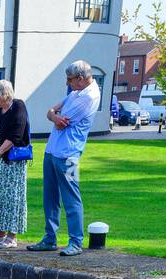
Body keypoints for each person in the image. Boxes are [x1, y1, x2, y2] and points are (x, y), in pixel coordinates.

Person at [28, 60, 101, 257]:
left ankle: (76, 241)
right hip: (53, 151)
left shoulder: (88, 96)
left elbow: (62, 117)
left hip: (69, 154)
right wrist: (54, 115)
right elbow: (52, 113)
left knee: (71, 198)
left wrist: (55, 115)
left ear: (81, 78)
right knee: (49, 198)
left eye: (70, 80)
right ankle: (50, 238)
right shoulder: (76, 92)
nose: (68, 84)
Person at [0, 79, 30, 249]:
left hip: (12, 164)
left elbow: (16, 134)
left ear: (5, 94)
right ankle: (0, 233)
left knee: (12, 197)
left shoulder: (18, 107)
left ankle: (12, 236)